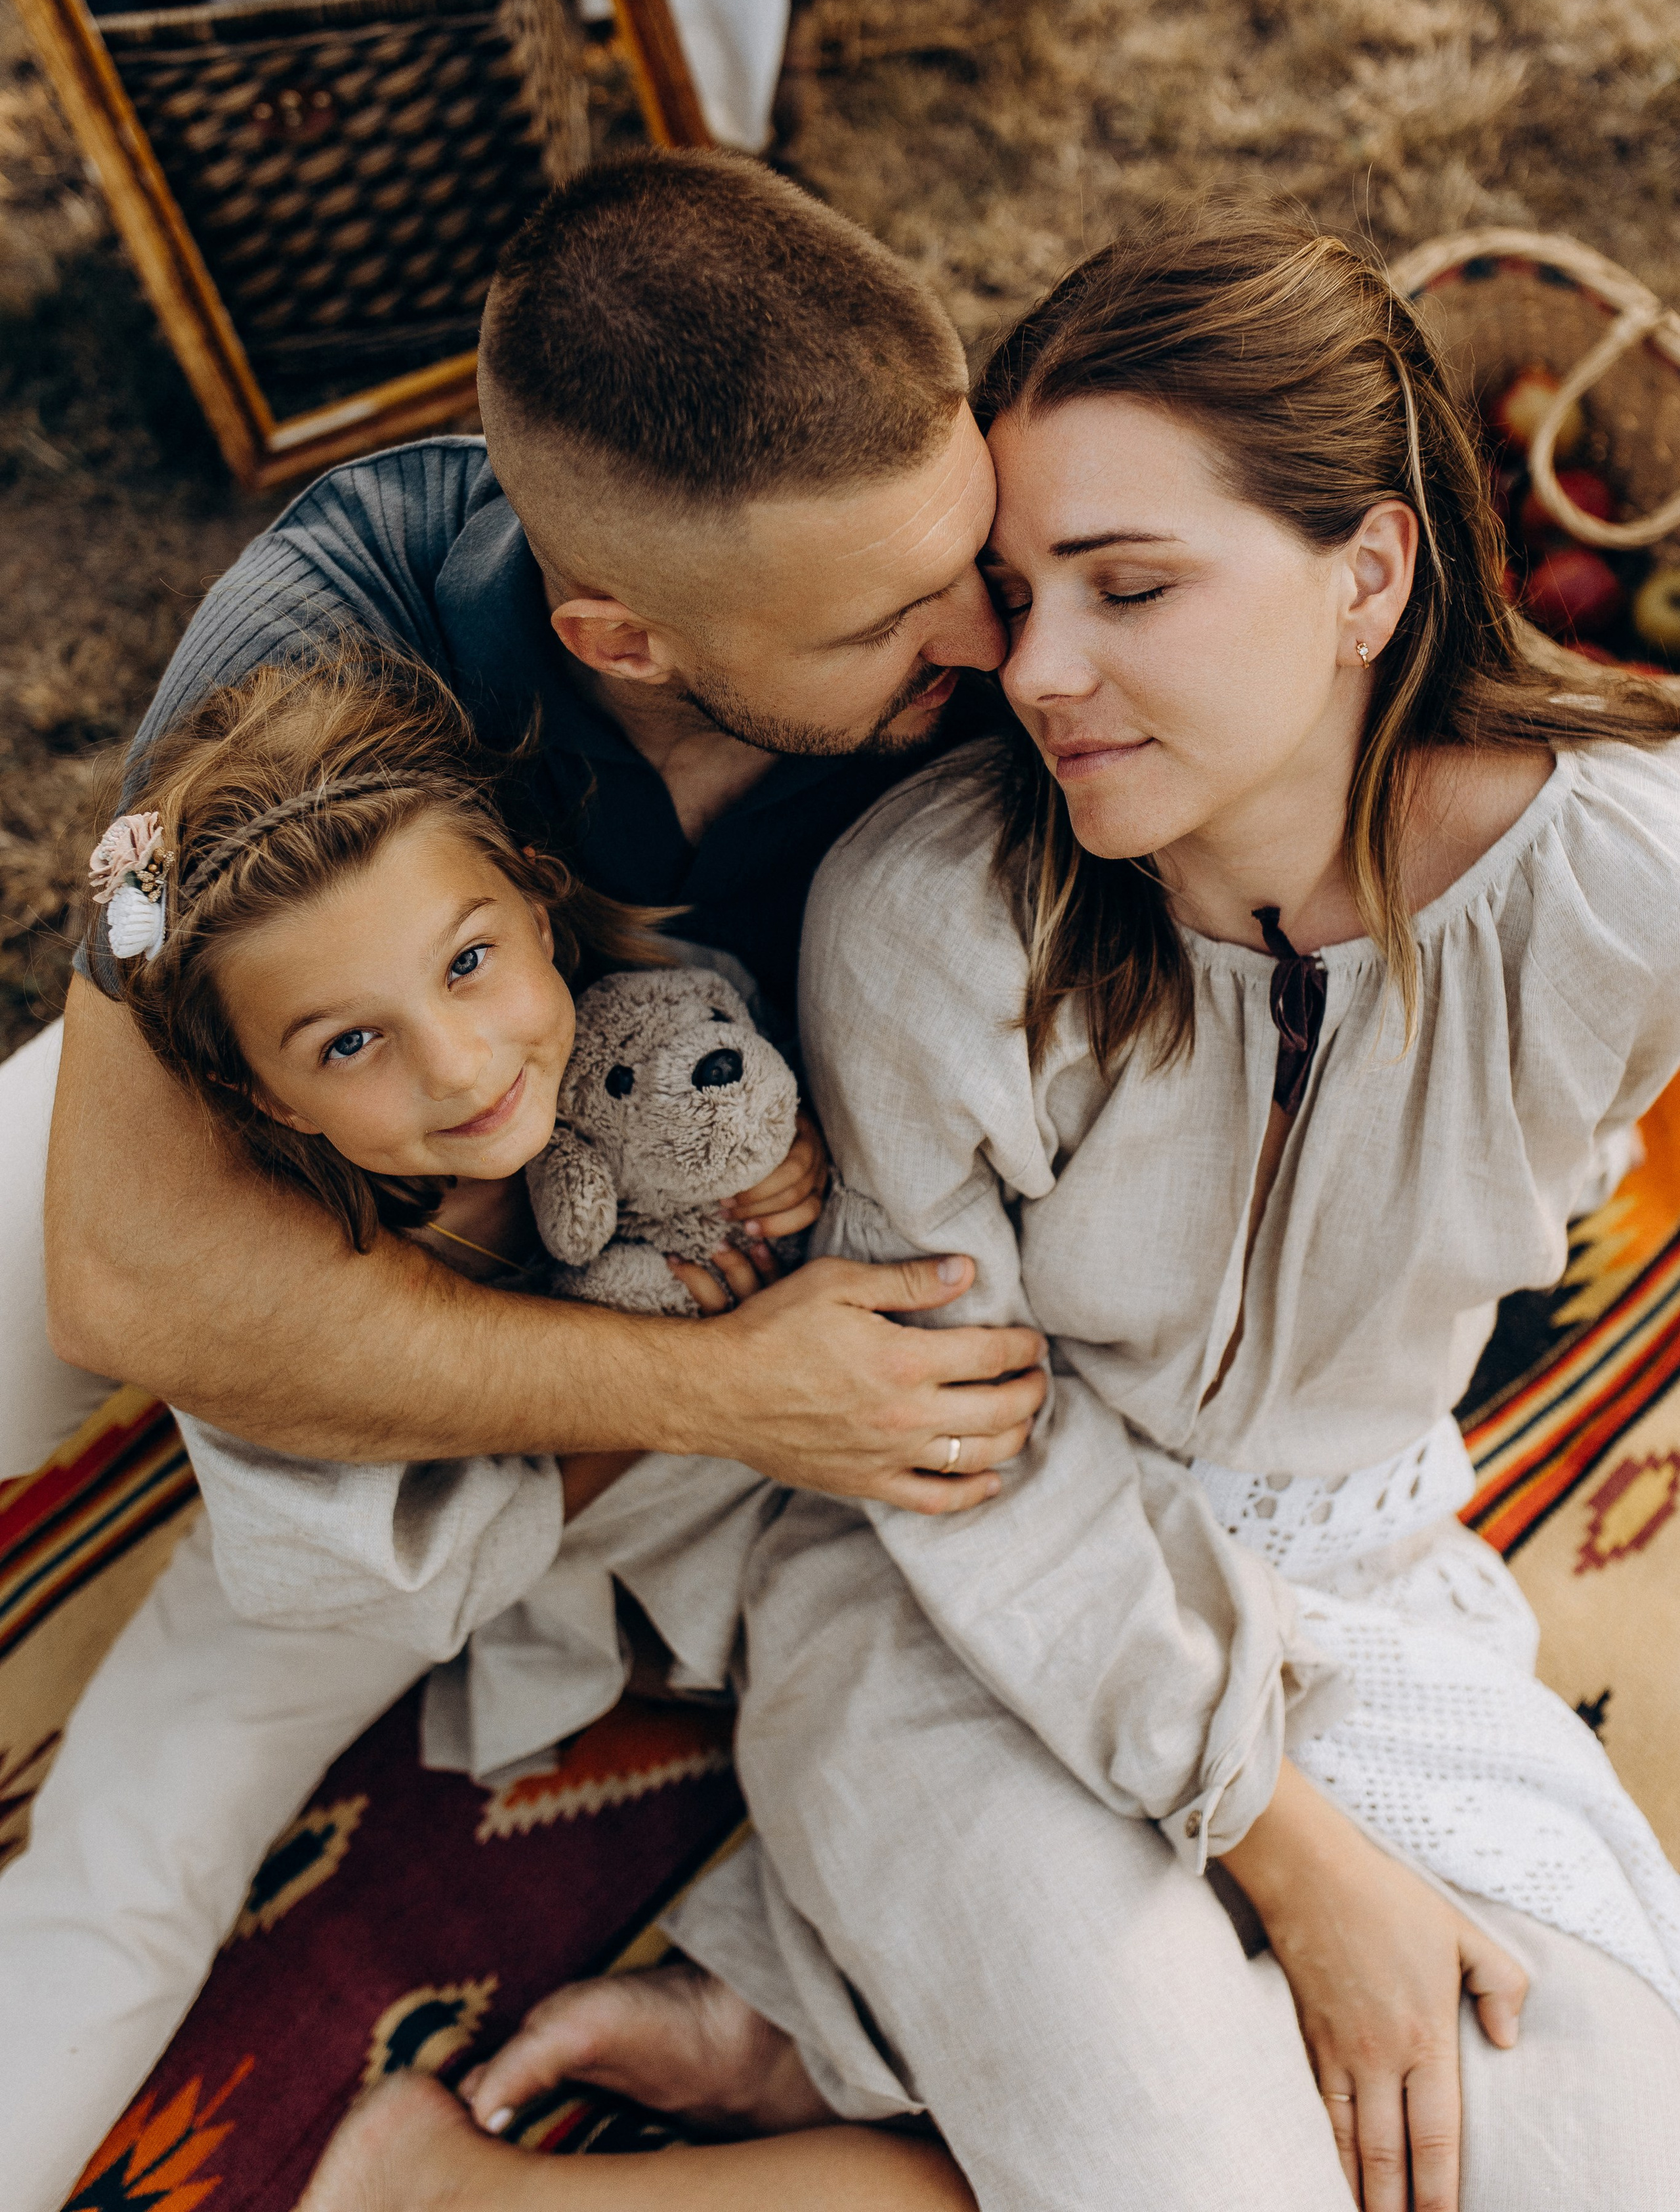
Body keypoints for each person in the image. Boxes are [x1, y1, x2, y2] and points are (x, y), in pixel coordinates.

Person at [301, 209, 1680, 2212]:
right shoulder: (935, 917)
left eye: (1129, 588)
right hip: (949, 1607)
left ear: (1370, 571)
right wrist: (1300, 1866)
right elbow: (966, 1459)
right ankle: (474, 2188)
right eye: (1019, 592)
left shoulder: (1614, 878)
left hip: (1355, 1591)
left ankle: (833, 2055)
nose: (1032, 669)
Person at [3, 152, 1045, 2212]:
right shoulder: (333, 637)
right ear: (617, 633)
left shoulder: (1016, 653)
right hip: (299, 1117)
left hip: (613, 1272)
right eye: (889, 623)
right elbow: (130, 1277)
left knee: (154, 1827)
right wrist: (726, 1394)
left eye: (971, 550)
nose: (998, 641)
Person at [85, 643, 973, 2212]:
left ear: (537, 905)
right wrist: (705, 1357)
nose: (462, 1063)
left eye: (470, 962)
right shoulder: (288, 1297)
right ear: (276, 1104)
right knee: (127, 1876)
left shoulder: (655, 1010)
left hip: (704, 1533)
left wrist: (780, 1184)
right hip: (368, 1548)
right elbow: (379, 1577)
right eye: (349, 1042)